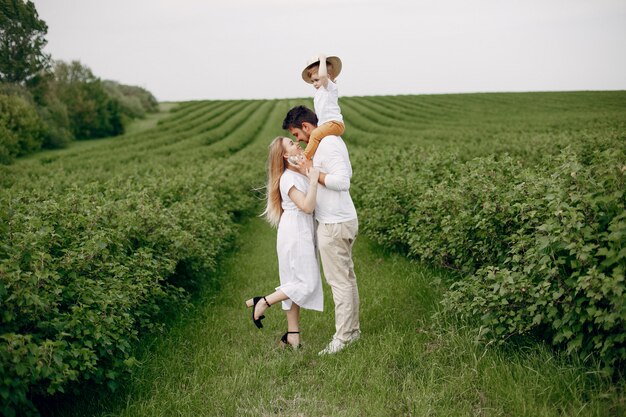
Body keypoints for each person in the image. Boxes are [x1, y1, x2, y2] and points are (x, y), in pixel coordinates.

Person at [282, 105, 360, 355]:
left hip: (334, 223)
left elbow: (343, 180)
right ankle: (353, 331)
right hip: (340, 219)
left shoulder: (327, 144)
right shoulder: (327, 143)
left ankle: (343, 337)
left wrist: (311, 173)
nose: (298, 140)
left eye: (296, 134)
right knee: (347, 279)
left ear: (306, 127)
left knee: (339, 282)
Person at [245, 136, 323, 349]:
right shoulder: (288, 178)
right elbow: (306, 207)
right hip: (296, 232)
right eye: (291, 143)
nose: (297, 144)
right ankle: (264, 301)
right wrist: (314, 179)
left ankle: (293, 336)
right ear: (285, 156)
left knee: (293, 281)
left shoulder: (297, 172)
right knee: (306, 283)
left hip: (299, 229)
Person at [300, 54, 345, 161]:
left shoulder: (329, 88)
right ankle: (314, 158)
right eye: (312, 81)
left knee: (315, 135)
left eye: (316, 80)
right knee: (315, 136)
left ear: (328, 77)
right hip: (326, 125)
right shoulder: (318, 94)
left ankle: (304, 157)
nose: (314, 84)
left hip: (334, 124)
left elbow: (323, 76)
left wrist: (323, 60)